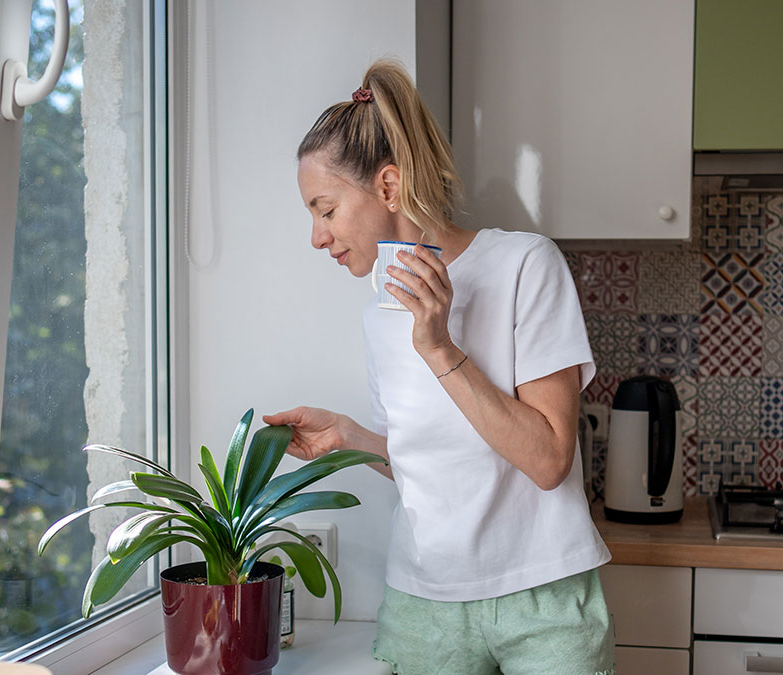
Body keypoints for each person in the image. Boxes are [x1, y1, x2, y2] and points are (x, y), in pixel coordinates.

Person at [262, 58, 615, 675]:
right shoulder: (378, 317)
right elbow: (429, 467)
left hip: (542, 598)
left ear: (389, 188)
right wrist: (351, 440)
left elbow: (549, 459)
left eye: (325, 209)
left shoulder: (525, 266)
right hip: (423, 603)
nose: (318, 237)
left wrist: (441, 348)